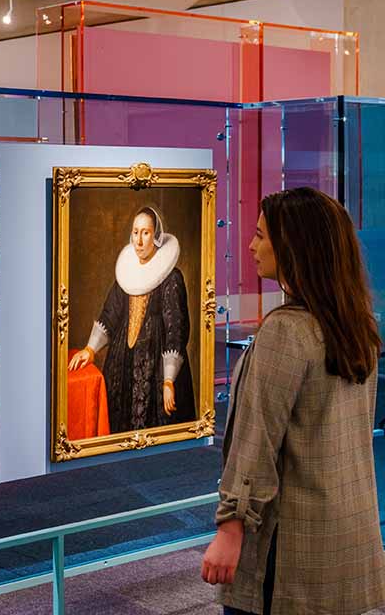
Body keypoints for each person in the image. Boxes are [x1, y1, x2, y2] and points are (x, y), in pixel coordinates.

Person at [201, 187, 385, 615]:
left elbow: (256, 442)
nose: (251, 246)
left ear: (293, 246)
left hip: (289, 556)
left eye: (261, 235)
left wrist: (230, 527)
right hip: (345, 542)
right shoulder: (355, 327)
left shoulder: (286, 331)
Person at [69, 206, 195, 433]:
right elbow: (111, 312)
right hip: (123, 362)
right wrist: (90, 349)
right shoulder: (126, 272)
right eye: (135, 232)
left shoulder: (172, 278)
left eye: (145, 233)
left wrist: (168, 380)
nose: (139, 240)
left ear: (156, 236)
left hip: (157, 368)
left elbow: (176, 329)